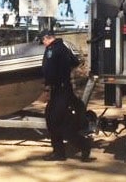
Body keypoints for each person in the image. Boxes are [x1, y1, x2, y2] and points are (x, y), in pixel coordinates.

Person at [40, 29, 92, 162]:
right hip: (64, 88)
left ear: (47, 38)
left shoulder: (52, 50)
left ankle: (81, 145)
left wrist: (47, 87)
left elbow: (49, 71)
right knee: (54, 120)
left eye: (43, 40)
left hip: (59, 90)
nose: (43, 43)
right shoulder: (63, 46)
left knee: (56, 122)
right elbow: (75, 62)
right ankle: (60, 152)